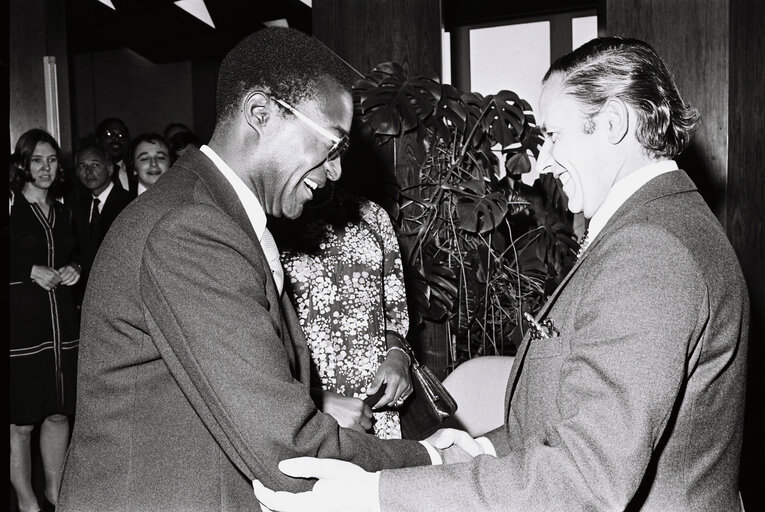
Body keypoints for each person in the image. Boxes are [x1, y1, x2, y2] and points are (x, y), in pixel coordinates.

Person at [253, 36, 749, 512]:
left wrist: (375, 500)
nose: (546, 160)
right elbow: (561, 428)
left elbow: (588, 479)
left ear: (614, 121)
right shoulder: (656, 226)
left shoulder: (650, 251)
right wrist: (472, 453)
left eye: (555, 134)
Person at [57, 28, 472, 512]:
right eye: (331, 147)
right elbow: (290, 453)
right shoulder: (191, 229)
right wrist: (435, 459)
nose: (336, 172)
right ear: (261, 113)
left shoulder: (217, 213)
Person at [272, 183, 413, 439]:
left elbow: (394, 308)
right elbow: (250, 349)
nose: (335, 170)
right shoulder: (266, 225)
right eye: (329, 154)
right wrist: (318, 401)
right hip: (306, 419)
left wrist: (398, 355)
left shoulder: (372, 215)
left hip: (377, 412)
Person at [9, 129, 81, 512]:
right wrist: (27, 269)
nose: (45, 168)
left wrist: (73, 268)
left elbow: (77, 252)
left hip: (60, 326)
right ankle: (25, 501)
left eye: (51, 160)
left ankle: (55, 492)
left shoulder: (65, 209)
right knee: (20, 421)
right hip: (21, 327)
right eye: (37, 160)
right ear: (22, 163)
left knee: (57, 411)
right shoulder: (9, 206)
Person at [70, 141, 133, 306]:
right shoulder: (77, 208)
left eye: (95, 164)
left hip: (121, 298)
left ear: (110, 169)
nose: (88, 171)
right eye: (82, 166)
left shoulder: (129, 204)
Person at [96, 117, 136, 196]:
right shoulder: (88, 173)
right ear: (98, 139)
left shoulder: (136, 171)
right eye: (109, 134)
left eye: (121, 135)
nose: (116, 139)